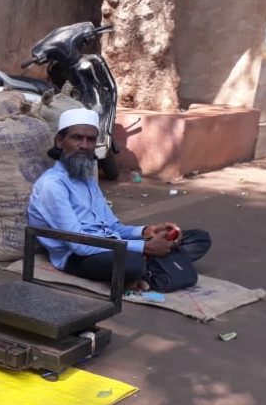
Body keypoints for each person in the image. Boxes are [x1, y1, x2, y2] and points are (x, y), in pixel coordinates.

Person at [27, 108, 211, 292]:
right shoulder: (52, 185)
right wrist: (144, 247)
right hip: (78, 256)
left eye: (90, 139)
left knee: (198, 238)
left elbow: (114, 227)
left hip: (111, 242)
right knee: (132, 262)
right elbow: (79, 245)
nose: (84, 145)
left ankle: (149, 266)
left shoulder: (87, 178)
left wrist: (146, 231)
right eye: (77, 138)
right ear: (60, 141)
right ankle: (151, 265)